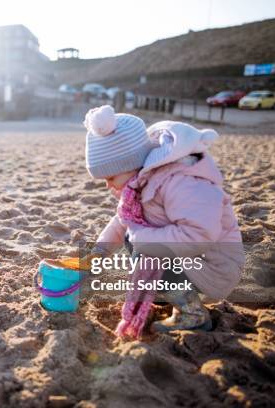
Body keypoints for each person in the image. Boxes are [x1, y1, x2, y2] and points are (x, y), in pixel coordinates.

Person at [84, 105, 244, 333]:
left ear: (131, 165)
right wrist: (97, 254)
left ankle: (192, 314)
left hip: (215, 266)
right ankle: (162, 293)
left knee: (143, 245)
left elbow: (198, 234)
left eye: (111, 177)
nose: (108, 185)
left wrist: (143, 239)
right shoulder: (138, 184)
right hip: (190, 259)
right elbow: (121, 222)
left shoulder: (181, 181)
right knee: (136, 239)